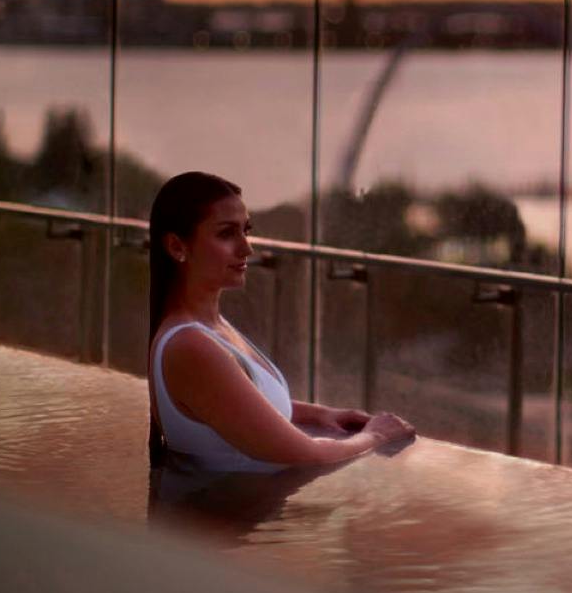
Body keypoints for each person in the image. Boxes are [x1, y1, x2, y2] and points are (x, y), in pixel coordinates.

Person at [147, 171, 414, 470]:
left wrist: (319, 415)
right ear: (176, 247)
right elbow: (306, 456)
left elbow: (234, 405)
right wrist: (377, 434)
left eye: (245, 231)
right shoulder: (191, 346)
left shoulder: (211, 328)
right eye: (226, 233)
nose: (246, 248)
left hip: (245, 509)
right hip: (229, 513)